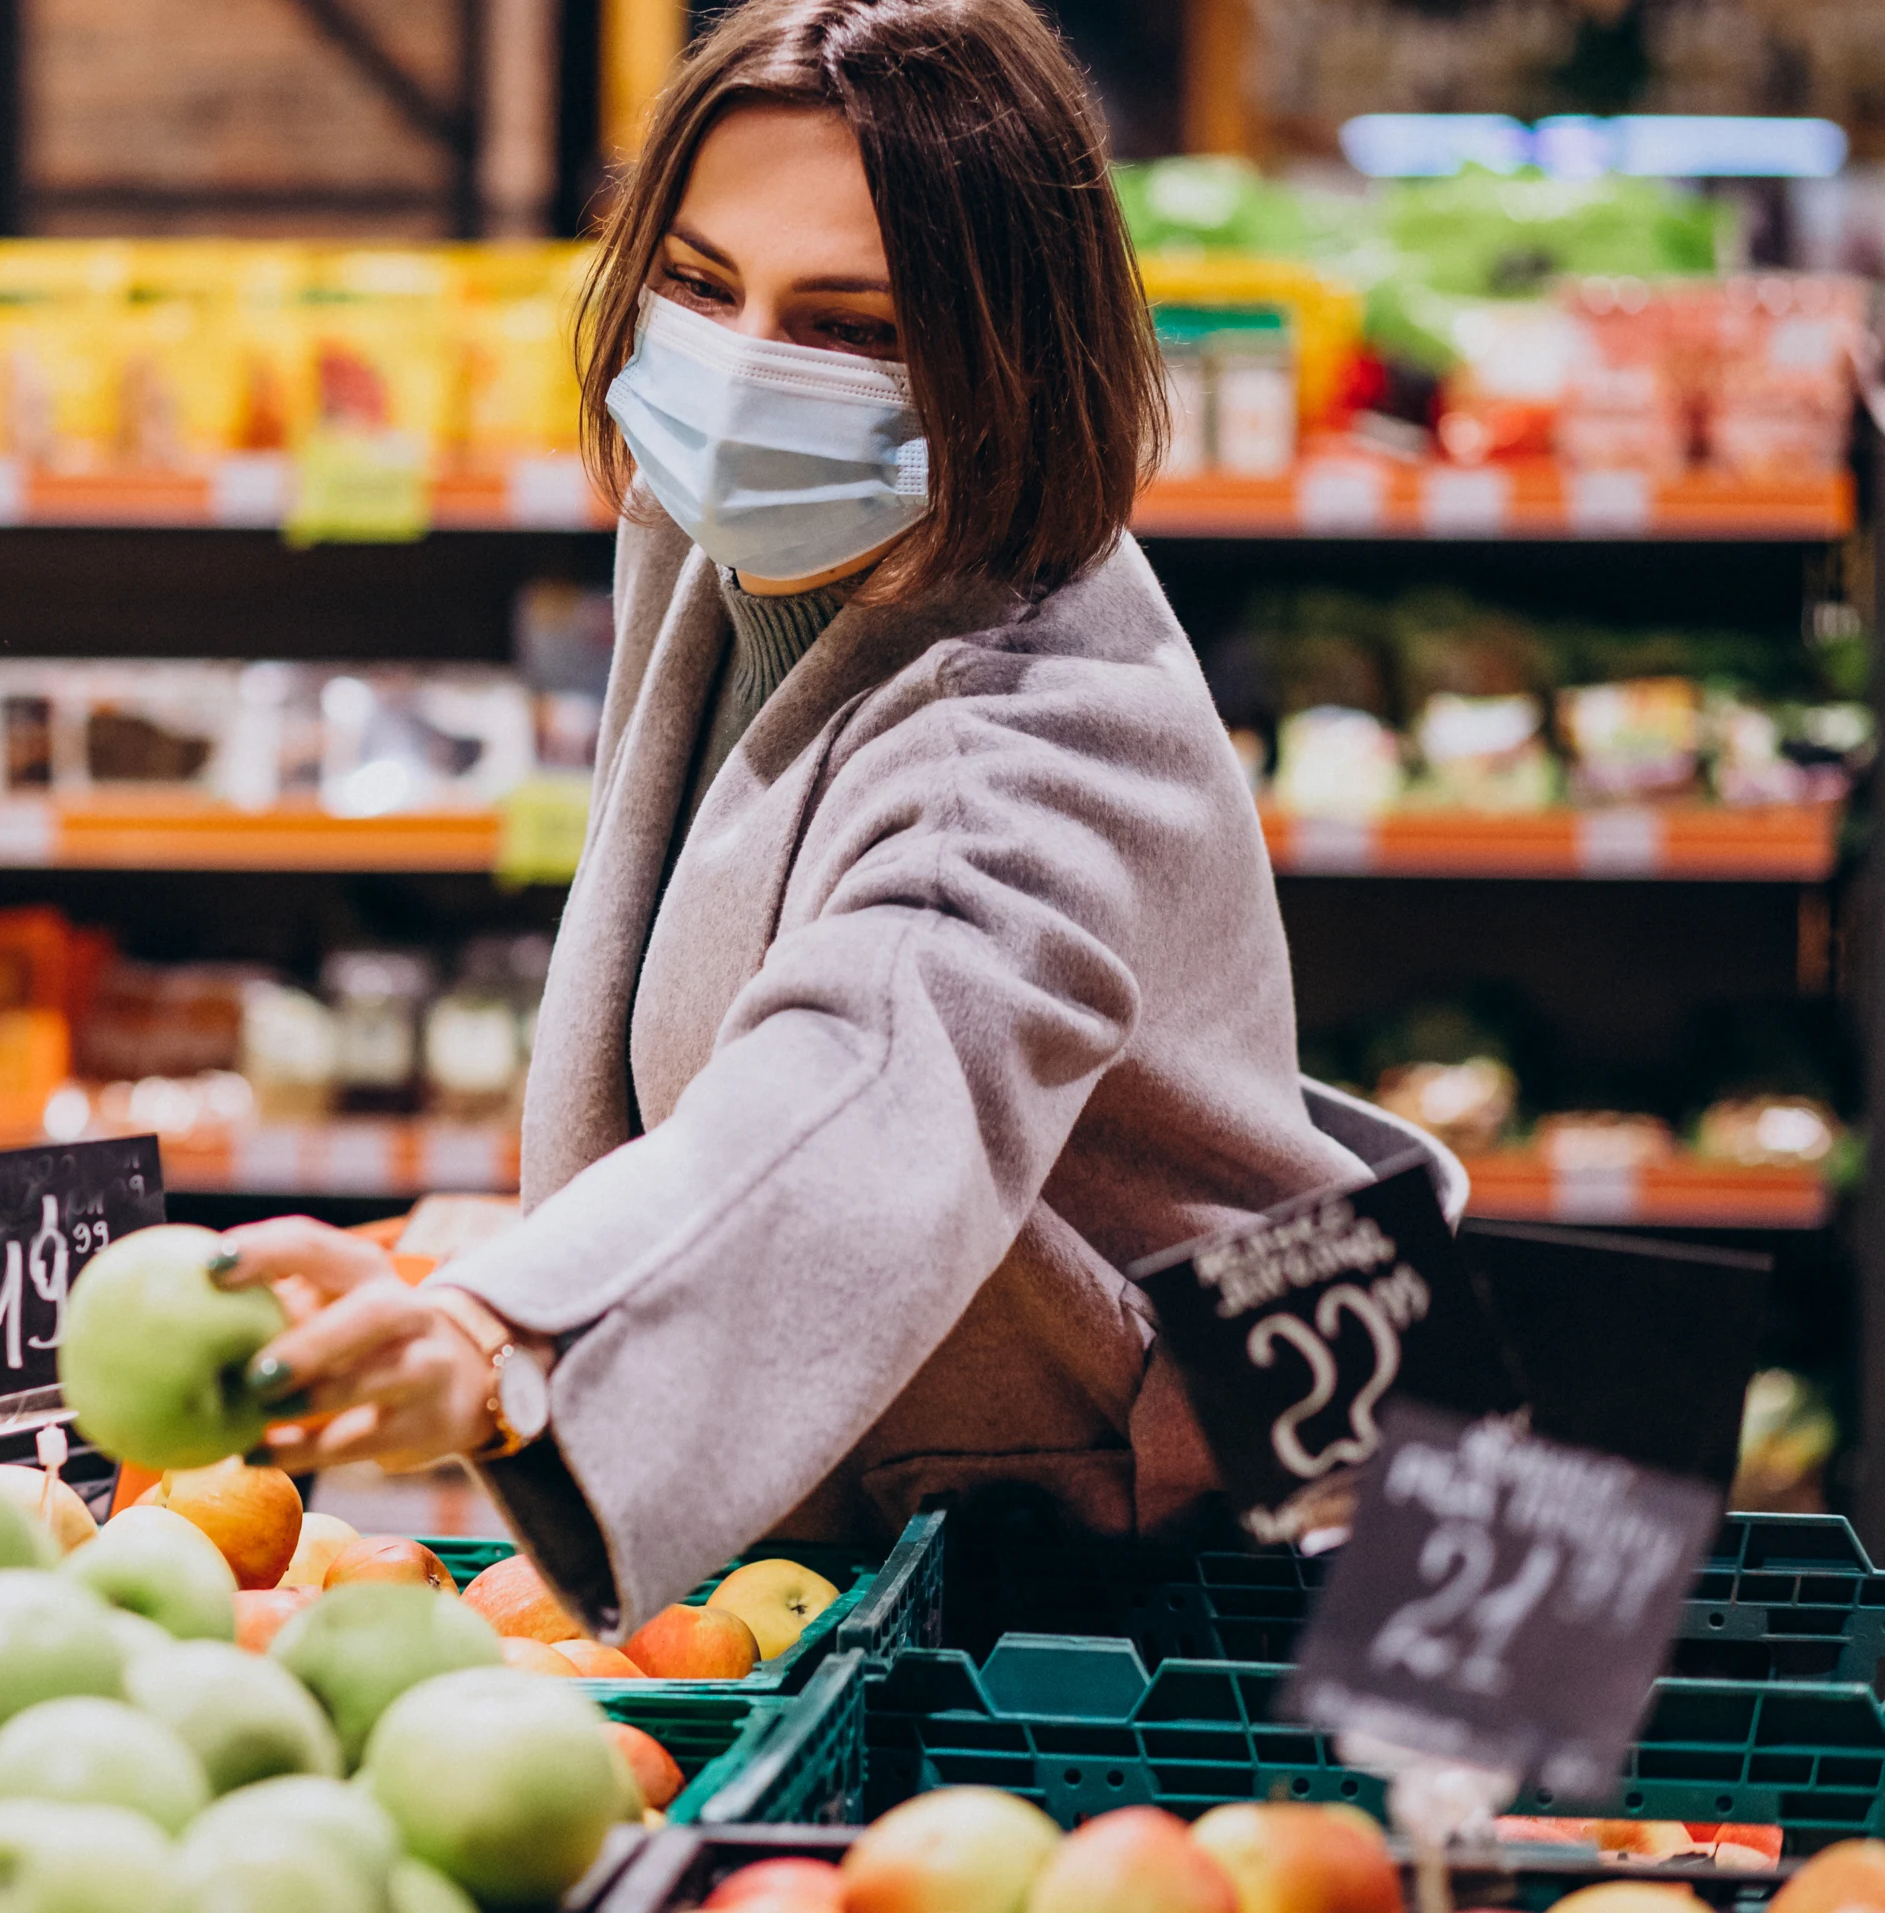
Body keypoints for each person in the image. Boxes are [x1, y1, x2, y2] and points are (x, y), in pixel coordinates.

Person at [219, 0, 1450, 1638]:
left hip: (1150, 1557)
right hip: (910, 1492)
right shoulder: (728, 543)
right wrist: (561, 1224)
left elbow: (876, 1070)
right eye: (702, 284)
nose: (741, 372)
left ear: (1009, 357)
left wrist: (519, 1334)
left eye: (853, 325)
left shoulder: (1027, 732)